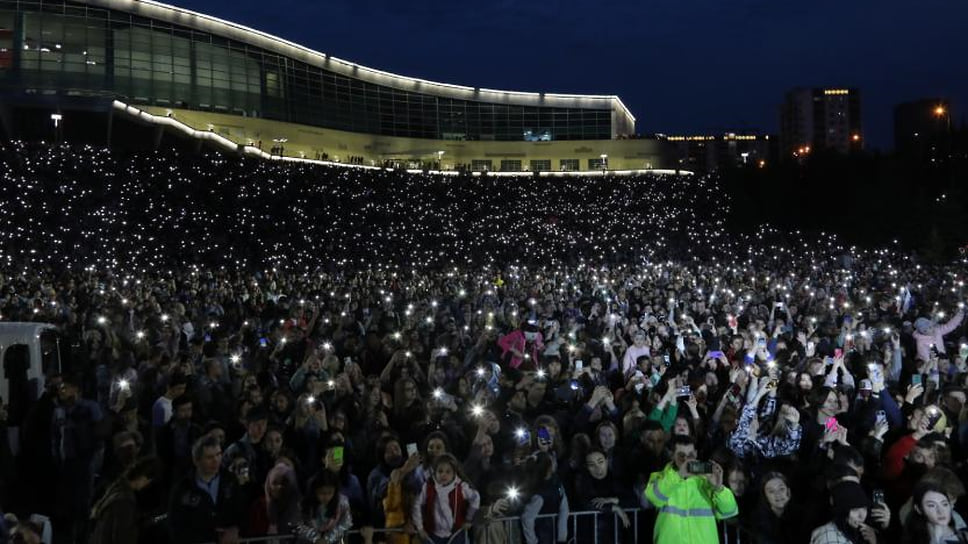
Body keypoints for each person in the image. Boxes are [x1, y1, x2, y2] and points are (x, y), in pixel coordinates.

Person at [645, 436, 738, 544]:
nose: (686, 460)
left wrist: (718, 488)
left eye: (690, 455)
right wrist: (679, 475)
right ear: (672, 455)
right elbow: (653, 498)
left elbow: (729, 511)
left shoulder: (706, 480)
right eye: (681, 456)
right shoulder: (660, 477)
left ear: (696, 453)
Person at [168, 434, 244, 544]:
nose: (216, 460)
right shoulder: (183, 488)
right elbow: (176, 525)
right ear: (196, 461)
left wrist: (236, 528)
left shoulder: (230, 481)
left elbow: (241, 510)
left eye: (218, 454)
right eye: (209, 457)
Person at [89, 456, 161, 544]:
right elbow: (121, 537)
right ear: (144, 478)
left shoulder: (117, 488)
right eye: (149, 481)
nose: (146, 485)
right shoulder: (125, 501)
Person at [412, 453, 480, 544]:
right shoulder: (428, 487)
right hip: (432, 535)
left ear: (454, 473)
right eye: (440, 471)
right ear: (435, 472)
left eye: (448, 472)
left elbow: (475, 498)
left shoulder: (461, 487)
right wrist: (420, 528)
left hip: (456, 534)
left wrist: (468, 519)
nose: (444, 475)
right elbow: (416, 504)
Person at [809, 481, 880, 544]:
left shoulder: (850, 531)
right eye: (855, 509)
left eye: (864, 508)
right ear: (842, 510)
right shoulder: (831, 539)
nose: (862, 516)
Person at [297, 471, 353, 544]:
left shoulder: (342, 502)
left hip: (335, 540)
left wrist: (328, 539)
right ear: (315, 491)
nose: (326, 497)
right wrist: (316, 538)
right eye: (322, 493)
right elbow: (299, 525)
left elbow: (346, 522)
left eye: (330, 493)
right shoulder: (305, 504)